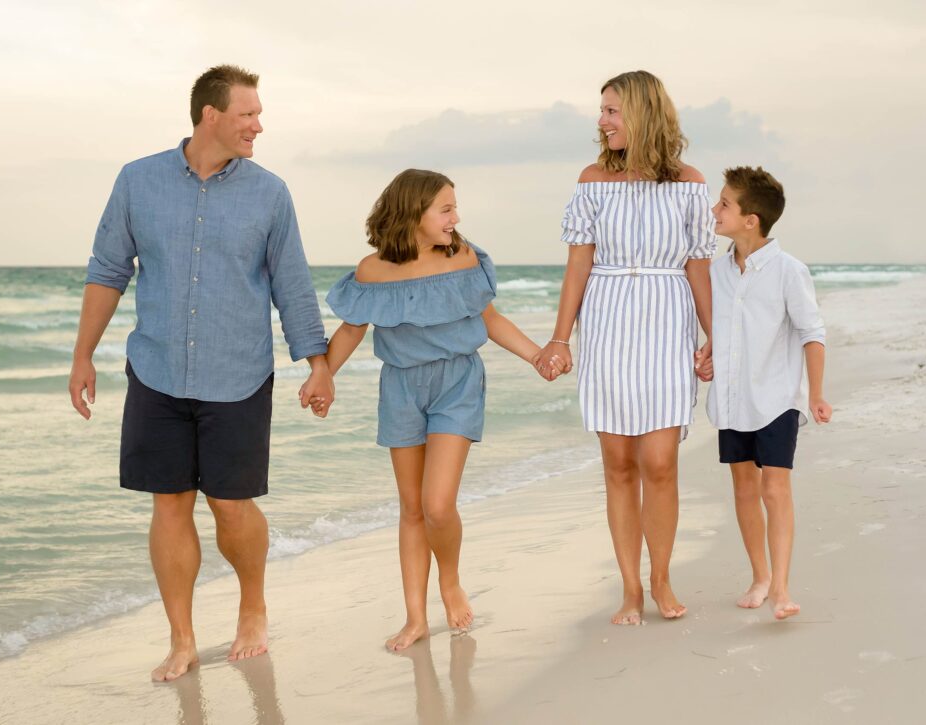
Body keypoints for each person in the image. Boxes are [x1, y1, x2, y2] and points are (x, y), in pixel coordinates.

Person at [68, 65, 333, 681]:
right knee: (169, 503)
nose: (257, 125)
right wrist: (83, 355)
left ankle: (252, 608)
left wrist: (316, 364)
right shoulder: (138, 181)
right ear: (210, 115)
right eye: (247, 115)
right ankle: (182, 639)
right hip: (157, 369)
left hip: (238, 372)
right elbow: (108, 271)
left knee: (232, 506)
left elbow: (292, 286)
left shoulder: (270, 193)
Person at [319, 169, 562, 651]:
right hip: (401, 389)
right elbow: (352, 329)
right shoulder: (373, 271)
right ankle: (415, 618)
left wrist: (536, 354)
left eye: (455, 207)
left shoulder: (465, 259)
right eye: (446, 209)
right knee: (411, 509)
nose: (456, 217)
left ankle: (449, 581)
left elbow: (489, 319)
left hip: (457, 382)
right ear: (414, 214)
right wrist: (322, 373)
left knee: (437, 505)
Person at [535, 70, 715, 624]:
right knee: (618, 463)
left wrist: (716, 338)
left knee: (659, 463)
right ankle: (631, 590)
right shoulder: (592, 179)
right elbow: (578, 265)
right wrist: (560, 338)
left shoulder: (689, 182)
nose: (602, 120)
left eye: (612, 110)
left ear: (641, 113)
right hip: (608, 319)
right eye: (602, 110)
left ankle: (661, 578)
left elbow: (698, 267)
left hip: (666, 317)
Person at [702, 166, 831, 620]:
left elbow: (812, 333)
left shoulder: (788, 271)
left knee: (775, 490)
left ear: (751, 218)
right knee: (742, 488)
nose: (714, 211)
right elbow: (722, 329)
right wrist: (708, 354)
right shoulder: (717, 271)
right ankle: (759, 576)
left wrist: (815, 393)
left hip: (776, 399)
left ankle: (781, 587)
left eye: (724, 204)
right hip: (733, 399)